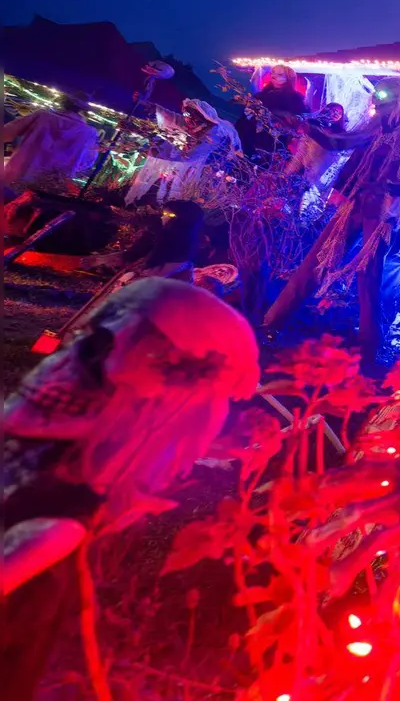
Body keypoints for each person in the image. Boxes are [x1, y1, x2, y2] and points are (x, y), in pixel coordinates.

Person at [1, 278, 260, 700]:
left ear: (152, 412)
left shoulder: (53, 528)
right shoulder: (27, 467)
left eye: (97, 358)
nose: (61, 365)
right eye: (84, 342)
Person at [262, 77, 400, 373]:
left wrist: (397, 188)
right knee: (316, 261)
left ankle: (368, 348)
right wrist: (304, 127)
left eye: (383, 97)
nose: (377, 103)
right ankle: (273, 323)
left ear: (398, 98)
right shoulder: (376, 126)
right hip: (356, 203)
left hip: (382, 211)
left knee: (368, 274)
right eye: (376, 98)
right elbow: (341, 142)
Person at [125, 98, 240, 206]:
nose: (186, 118)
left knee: (184, 191)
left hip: (211, 169)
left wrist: (155, 140)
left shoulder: (214, 134)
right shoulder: (198, 123)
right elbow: (175, 119)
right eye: (185, 114)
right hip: (198, 163)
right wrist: (150, 107)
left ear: (199, 116)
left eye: (188, 115)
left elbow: (188, 157)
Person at [0, 95, 100, 197]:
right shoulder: (89, 133)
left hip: (16, 178)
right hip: (51, 189)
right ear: (84, 111)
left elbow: (5, 133)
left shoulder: (42, 117)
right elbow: (87, 162)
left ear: (63, 103)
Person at [237, 64, 308, 161]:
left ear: (288, 78)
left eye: (280, 74)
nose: (273, 76)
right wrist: (248, 113)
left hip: (274, 138)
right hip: (251, 135)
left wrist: (280, 117)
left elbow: (297, 119)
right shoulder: (263, 94)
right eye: (273, 73)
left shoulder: (295, 98)